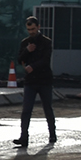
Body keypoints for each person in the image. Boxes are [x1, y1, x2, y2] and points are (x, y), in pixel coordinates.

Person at [13, 15, 57, 147]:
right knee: (26, 109)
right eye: (29, 29)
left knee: (47, 108)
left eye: (33, 29)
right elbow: (19, 58)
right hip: (30, 81)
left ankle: (52, 134)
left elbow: (46, 59)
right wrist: (27, 51)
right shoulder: (24, 43)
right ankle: (24, 137)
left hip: (44, 80)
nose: (31, 31)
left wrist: (33, 66)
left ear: (38, 27)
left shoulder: (46, 42)